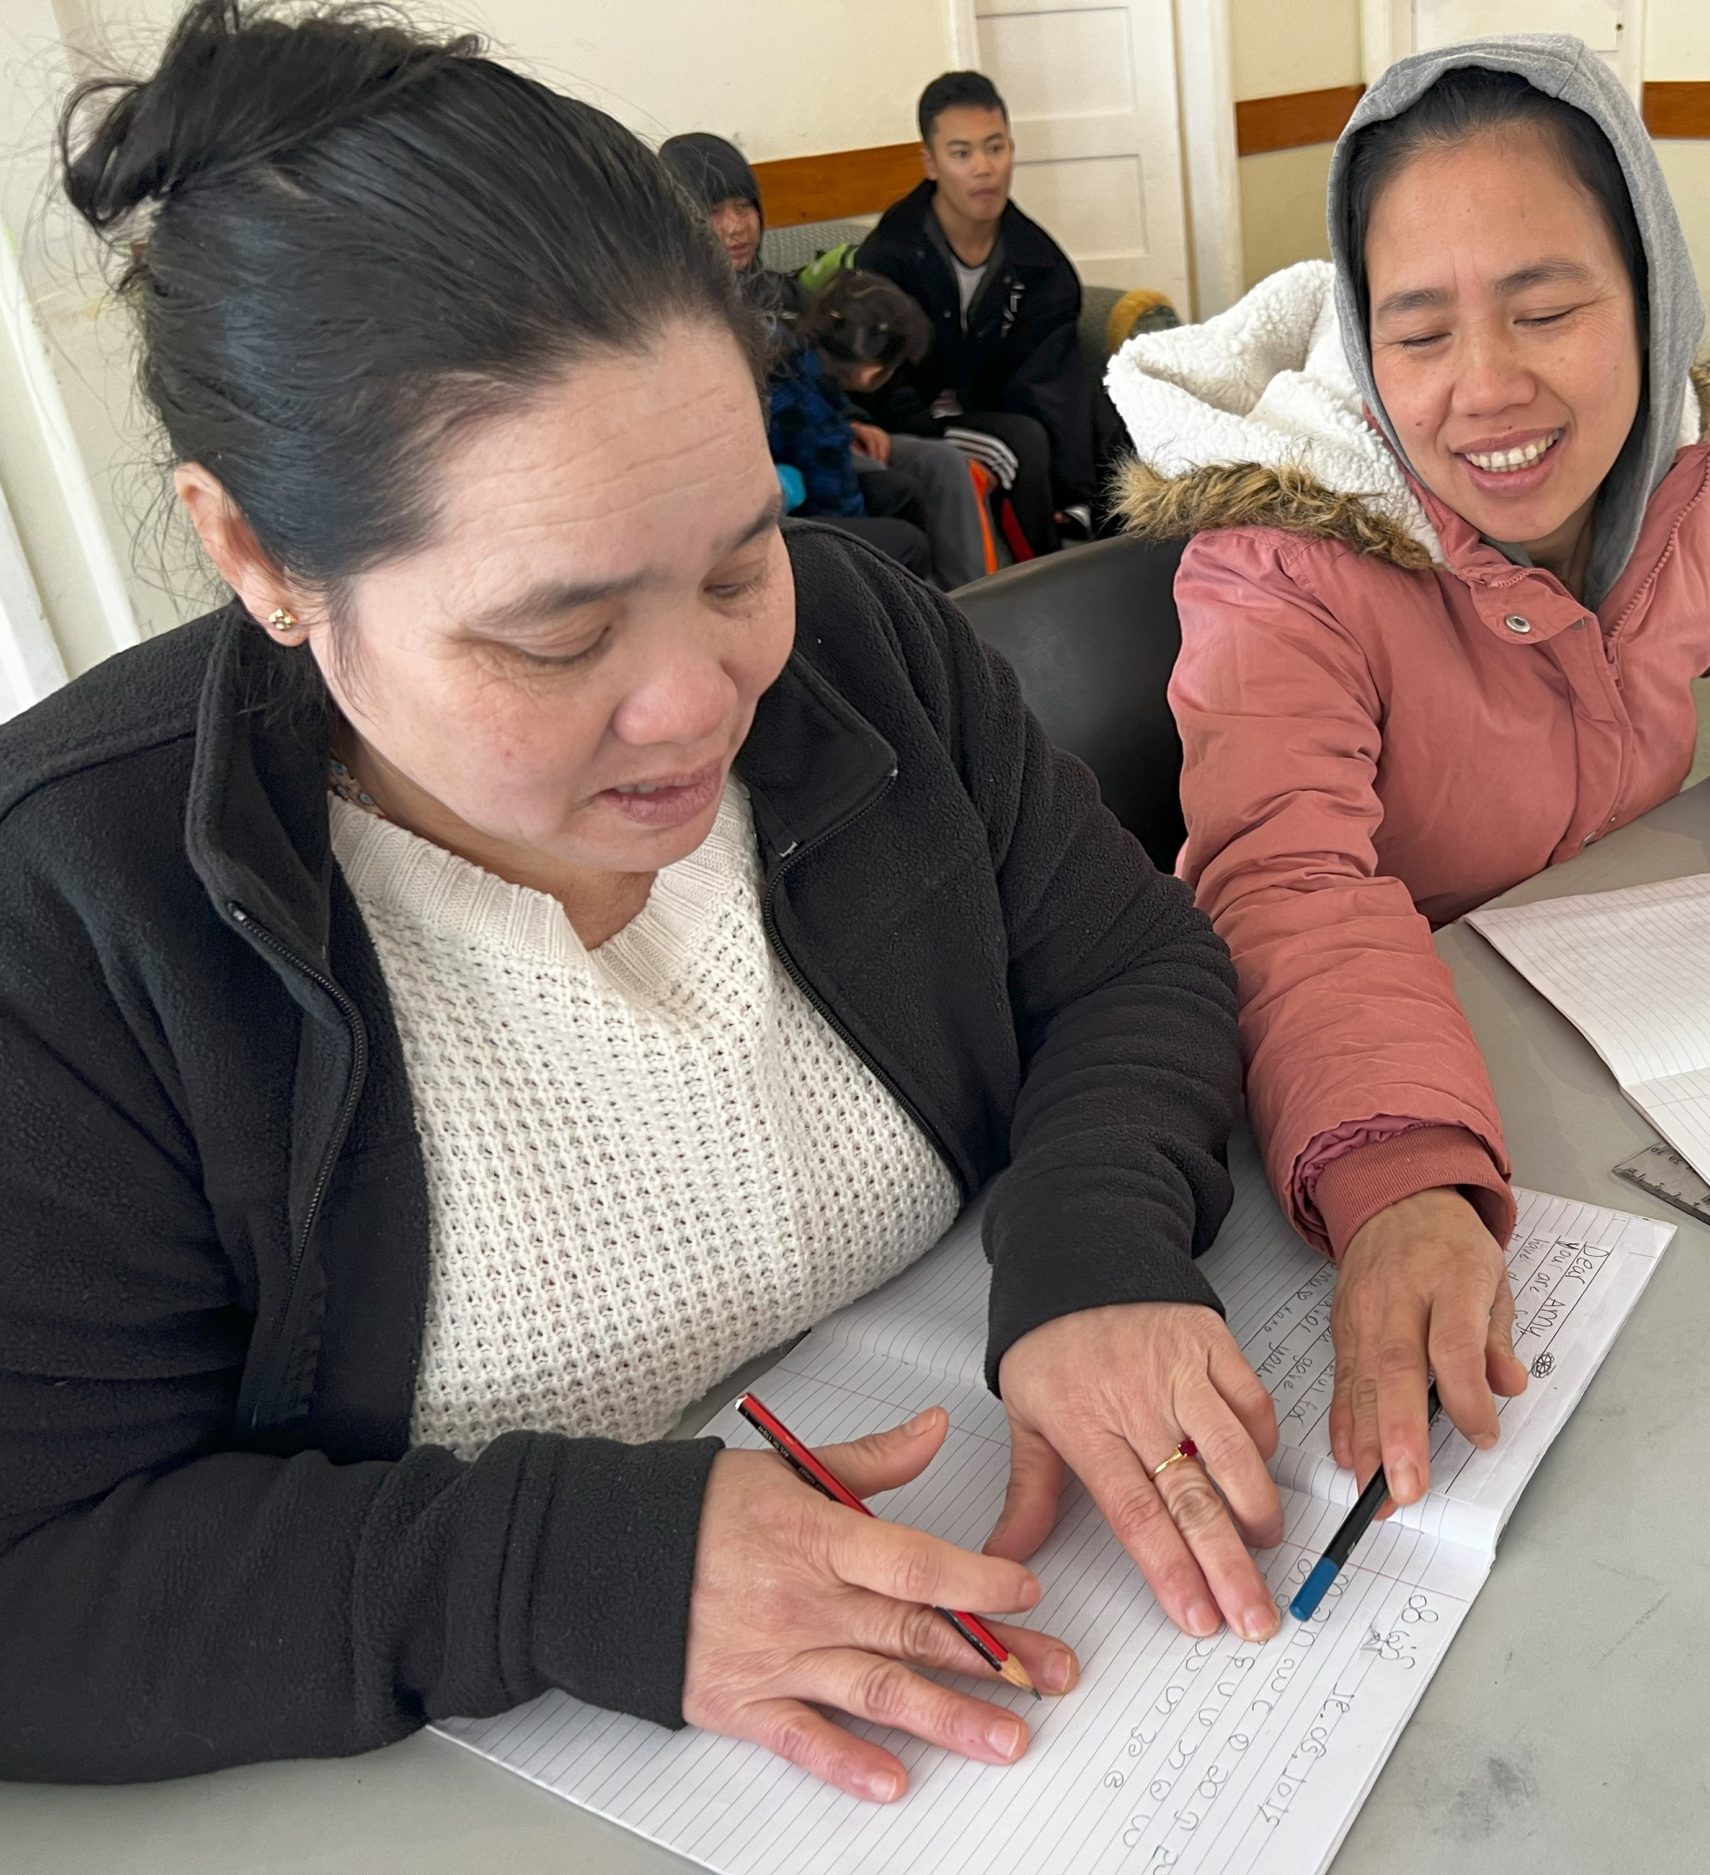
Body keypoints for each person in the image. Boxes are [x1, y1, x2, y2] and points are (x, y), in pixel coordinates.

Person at [2, 0, 1289, 1791]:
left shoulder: (857, 653)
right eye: (558, 632)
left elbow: (1130, 963)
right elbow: (38, 1580)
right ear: (259, 557)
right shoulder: (71, 909)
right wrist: (568, 1573)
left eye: (738, 553)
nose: (703, 703)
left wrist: (1093, 1250)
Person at [1111, 37, 1710, 1519]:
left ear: (1654, 295)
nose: (1487, 388)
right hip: (1386, 1069)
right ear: (1362, 346)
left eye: (1547, 309)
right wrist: (1401, 1176)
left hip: (1638, 1031)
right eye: (1417, 335)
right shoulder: (1287, 563)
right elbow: (1287, 876)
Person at [659, 131, 935, 578]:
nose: (735, 226)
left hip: (805, 466)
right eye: (714, 212)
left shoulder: (780, 291)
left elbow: (817, 387)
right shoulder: (684, 315)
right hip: (761, 496)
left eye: (744, 206)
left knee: (903, 491)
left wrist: (850, 419)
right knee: (905, 540)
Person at [856, 71, 1091, 556]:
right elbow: (875, 373)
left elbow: (1045, 380)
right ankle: (1041, 580)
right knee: (1021, 444)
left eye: (995, 147)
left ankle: (1097, 532)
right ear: (931, 162)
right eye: (962, 153)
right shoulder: (890, 253)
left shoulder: (1040, 263)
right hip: (911, 423)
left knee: (1099, 395)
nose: (984, 168)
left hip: (995, 410)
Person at [800, 269, 1000, 588]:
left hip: (843, 425)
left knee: (944, 461)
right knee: (884, 481)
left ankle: (976, 599)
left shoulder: (786, 291)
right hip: (794, 449)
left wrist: (855, 420)